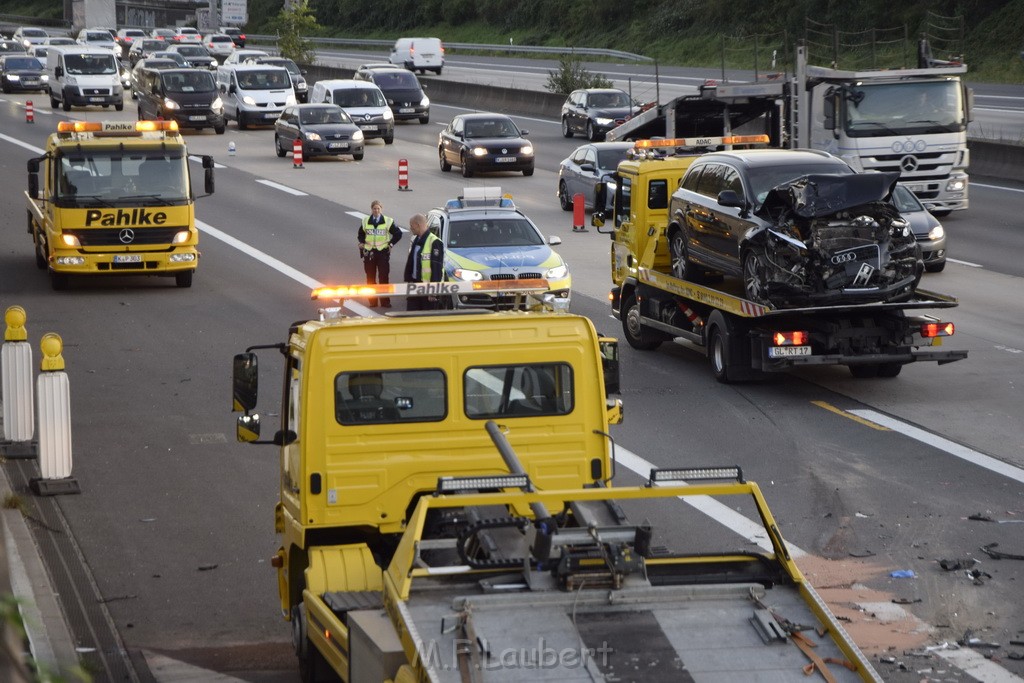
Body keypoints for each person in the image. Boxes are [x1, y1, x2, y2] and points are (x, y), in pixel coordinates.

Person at [357, 200, 402, 307]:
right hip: (370, 253)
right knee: (370, 278)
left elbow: (398, 234)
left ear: (381, 209)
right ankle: (373, 301)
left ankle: (385, 302)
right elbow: (360, 234)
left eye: (378, 209)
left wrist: (391, 244)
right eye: (374, 209)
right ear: (371, 209)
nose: (376, 210)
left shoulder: (388, 221)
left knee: (383, 277)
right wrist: (362, 243)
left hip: (382, 252)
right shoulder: (365, 221)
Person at [403, 213, 444, 311]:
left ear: (418, 225)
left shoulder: (435, 242)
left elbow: (437, 268)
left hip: (428, 289)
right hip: (415, 286)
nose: (410, 228)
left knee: (427, 319)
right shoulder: (416, 240)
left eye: (412, 225)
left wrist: (434, 292)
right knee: (411, 316)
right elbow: (411, 262)